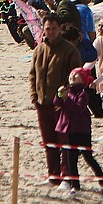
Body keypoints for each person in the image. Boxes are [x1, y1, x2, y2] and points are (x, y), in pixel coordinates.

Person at [30, 14, 81, 191]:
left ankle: (67, 177)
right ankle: (53, 176)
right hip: (42, 103)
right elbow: (33, 75)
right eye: (47, 28)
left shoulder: (69, 50)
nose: (50, 31)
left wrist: (66, 99)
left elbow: (76, 78)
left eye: (53, 28)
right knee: (49, 142)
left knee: (64, 143)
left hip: (62, 106)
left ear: (59, 29)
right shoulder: (39, 49)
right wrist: (34, 97)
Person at [55, 67, 103, 197]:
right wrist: (59, 95)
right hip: (68, 130)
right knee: (70, 160)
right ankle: (75, 187)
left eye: (76, 75)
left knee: (88, 157)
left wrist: (66, 99)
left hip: (81, 131)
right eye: (71, 75)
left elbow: (78, 108)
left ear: (82, 80)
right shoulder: (67, 90)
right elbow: (56, 104)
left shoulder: (83, 94)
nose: (72, 77)